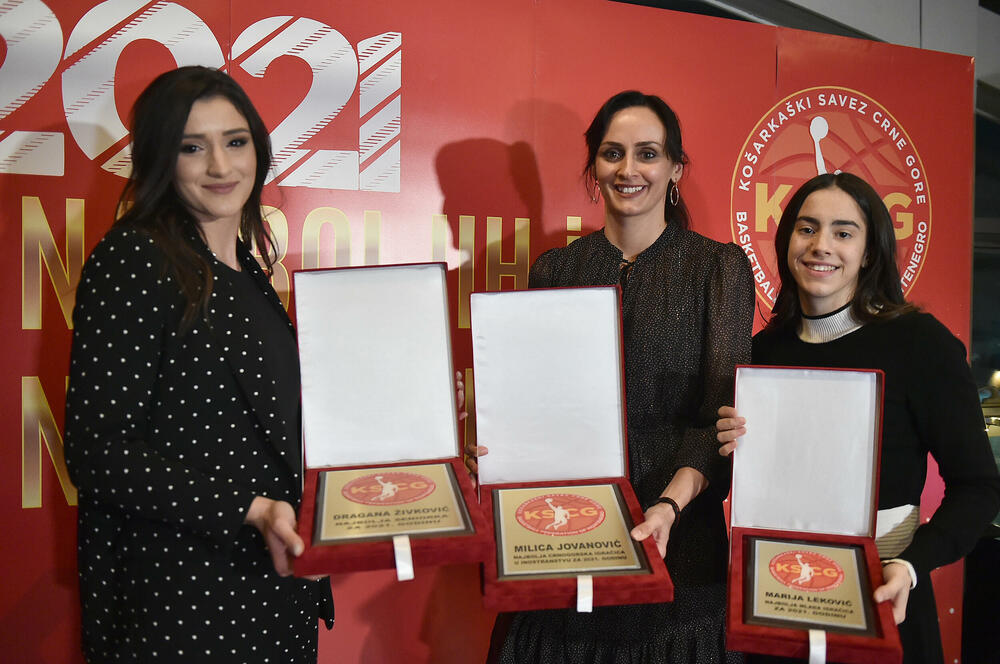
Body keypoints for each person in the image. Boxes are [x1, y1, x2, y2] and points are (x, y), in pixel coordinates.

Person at [65, 66, 334, 663]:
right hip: (182, 605)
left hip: (274, 595)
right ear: (161, 159)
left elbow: (274, 431)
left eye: (235, 141)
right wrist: (251, 510)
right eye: (192, 148)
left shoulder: (249, 271)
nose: (220, 165)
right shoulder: (135, 257)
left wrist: (414, 418)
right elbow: (98, 452)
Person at [475, 90, 754, 663]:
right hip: (568, 539)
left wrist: (669, 506)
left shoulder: (717, 269)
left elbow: (719, 418)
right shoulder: (556, 270)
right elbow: (538, 409)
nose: (629, 169)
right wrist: (498, 448)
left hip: (680, 544)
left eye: (647, 154)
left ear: (675, 169)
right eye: (612, 153)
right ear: (594, 166)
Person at [715, 172, 1000, 664]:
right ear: (786, 243)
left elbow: (979, 488)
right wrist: (726, 447)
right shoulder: (760, 353)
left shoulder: (921, 344)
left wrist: (911, 565)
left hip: (883, 597)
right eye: (807, 229)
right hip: (777, 600)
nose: (821, 246)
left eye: (843, 232)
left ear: (869, 253)